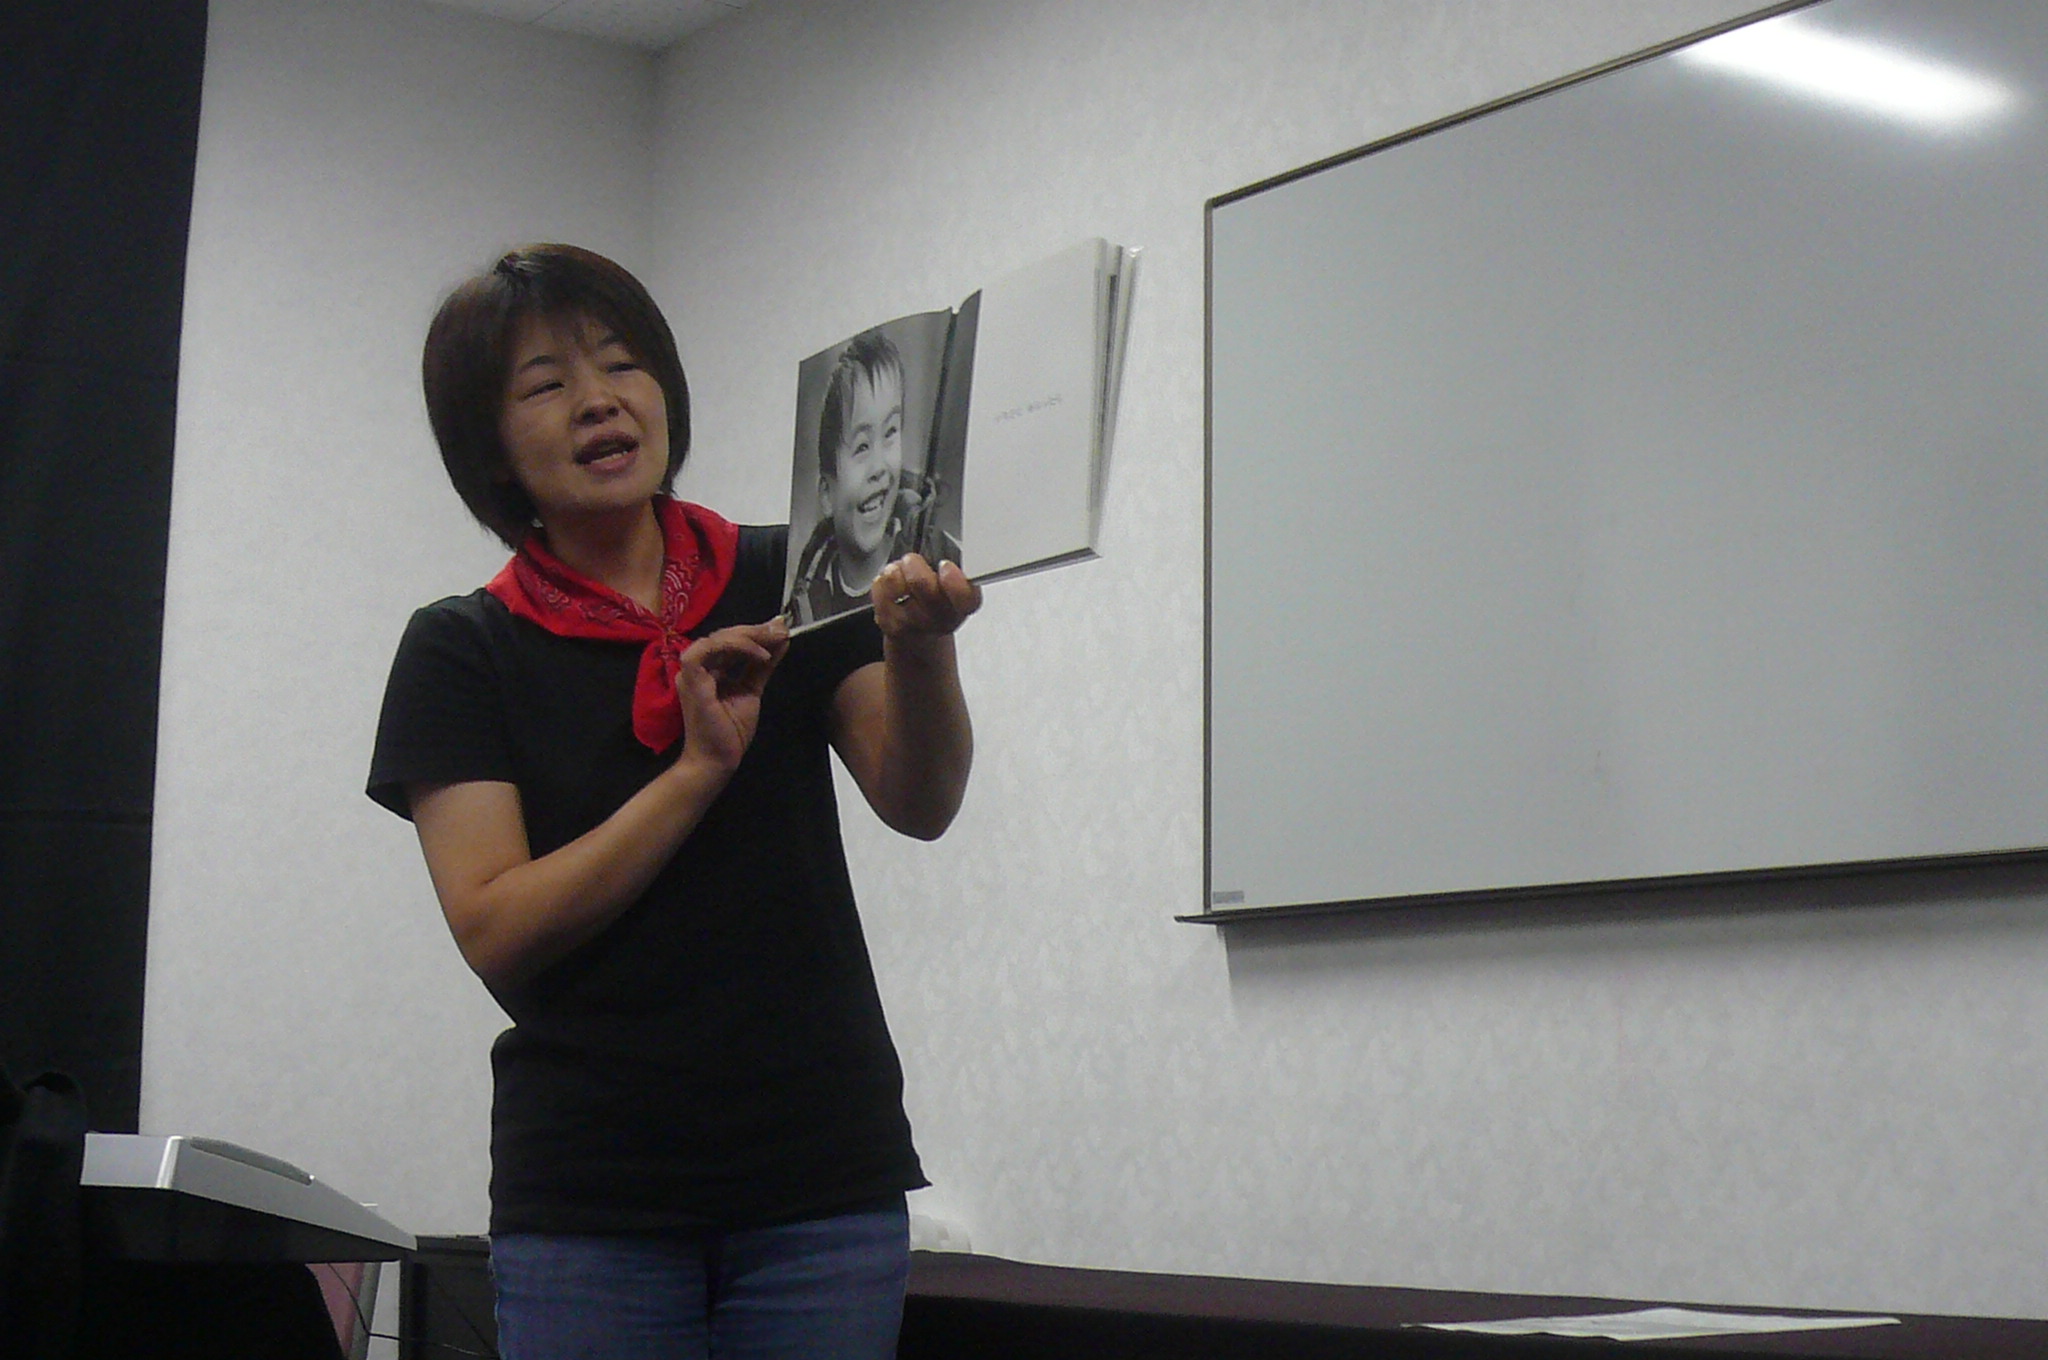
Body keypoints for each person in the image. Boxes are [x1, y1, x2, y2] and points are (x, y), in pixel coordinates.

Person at [365, 244, 979, 1360]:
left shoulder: (791, 575)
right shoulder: (462, 648)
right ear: (488, 444)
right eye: (546, 383)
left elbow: (920, 797)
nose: (599, 399)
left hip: (820, 1172)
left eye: (622, 363)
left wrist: (920, 647)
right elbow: (495, 925)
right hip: (593, 1196)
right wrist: (695, 773)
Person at [787, 329, 958, 628]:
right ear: (827, 494)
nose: (879, 467)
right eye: (862, 446)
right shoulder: (806, 602)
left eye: (890, 432)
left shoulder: (936, 554)